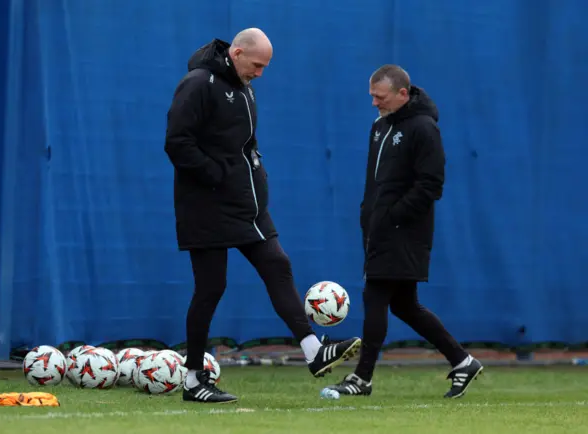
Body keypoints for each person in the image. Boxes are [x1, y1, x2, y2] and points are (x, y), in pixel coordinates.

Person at [164, 28, 362, 404]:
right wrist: (215, 174)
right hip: (205, 207)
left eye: (264, 67)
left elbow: (244, 143)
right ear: (236, 53)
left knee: (277, 264)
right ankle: (193, 380)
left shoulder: (245, 88)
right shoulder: (198, 83)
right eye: (257, 65)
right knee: (211, 288)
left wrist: (256, 171)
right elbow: (176, 141)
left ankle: (312, 351)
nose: (260, 73)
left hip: (245, 205)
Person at [326, 65, 483, 399]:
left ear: (402, 93)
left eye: (379, 97)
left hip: (404, 231)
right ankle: (462, 360)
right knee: (405, 306)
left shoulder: (424, 128)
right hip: (379, 229)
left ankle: (362, 378)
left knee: (376, 295)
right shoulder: (380, 126)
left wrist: (395, 216)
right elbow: (376, 183)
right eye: (371, 96)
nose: (374, 103)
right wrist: (368, 215)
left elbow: (431, 184)